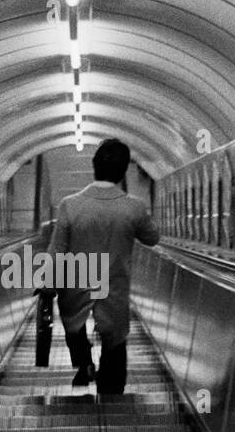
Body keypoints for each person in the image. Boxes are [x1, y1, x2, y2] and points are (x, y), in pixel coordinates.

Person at [41, 138, 160, 395]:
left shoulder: (70, 205)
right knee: (115, 341)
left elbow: (57, 251)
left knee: (75, 327)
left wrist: (48, 287)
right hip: (114, 288)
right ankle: (111, 390)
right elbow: (152, 238)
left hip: (76, 285)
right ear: (123, 170)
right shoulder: (134, 208)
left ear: (94, 166)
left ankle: (83, 365)